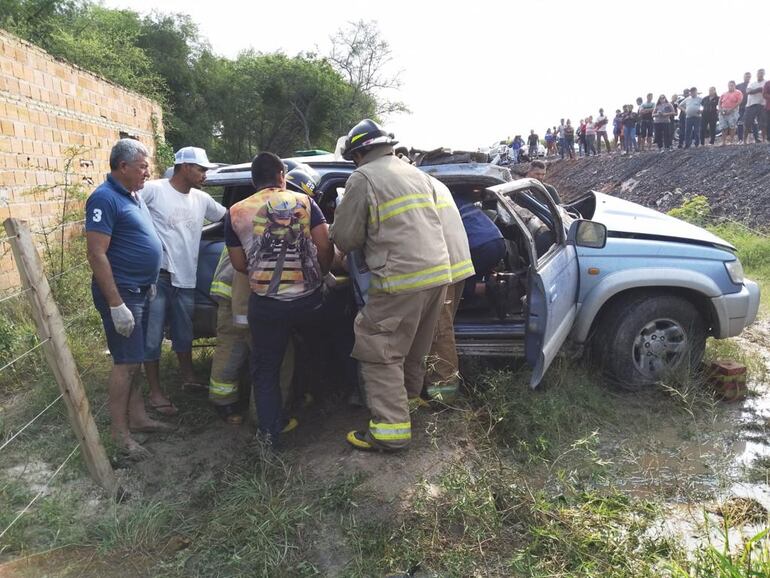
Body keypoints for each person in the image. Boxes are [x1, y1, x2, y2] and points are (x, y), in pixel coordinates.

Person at [330, 119, 451, 452]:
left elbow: (347, 238)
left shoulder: (363, 177)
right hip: (437, 274)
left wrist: (333, 233)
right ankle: (408, 404)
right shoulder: (417, 174)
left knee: (377, 349)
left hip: (400, 279)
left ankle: (389, 432)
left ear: (359, 152)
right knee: (413, 347)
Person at [225, 152, 333, 447]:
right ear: (282, 175)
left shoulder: (235, 212)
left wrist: (263, 271)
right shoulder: (305, 202)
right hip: (308, 299)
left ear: (253, 181)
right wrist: (318, 274)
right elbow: (324, 245)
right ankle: (324, 406)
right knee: (317, 348)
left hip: (267, 304)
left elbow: (238, 263)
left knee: (266, 368)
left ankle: (270, 434)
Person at [85, 138, 167, 459]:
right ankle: (121, 437)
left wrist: (149, 280)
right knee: (126, 363)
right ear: (123, 167)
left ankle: (139, 418)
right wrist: (116, 304)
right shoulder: (104, 199)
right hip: (122, 293)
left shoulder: (133, 195)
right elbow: (96, 254)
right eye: (143, 166)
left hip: (140, 289)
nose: (148, 172)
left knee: (135, 359)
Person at [140, 147, 225, 415]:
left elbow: (231, 218)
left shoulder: (201, 199)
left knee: (184, 331)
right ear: (185, 167)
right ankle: (155, 392)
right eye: (201, 169)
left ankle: (188, 378)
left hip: (186, 278)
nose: (205, 175)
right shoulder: (154, 190)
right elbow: (128, 210)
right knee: (152, 335)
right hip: (159, 276)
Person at [423, 176, 474, 404]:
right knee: (441, 330)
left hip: (441, 268)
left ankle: (444, 397)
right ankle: (436, 386)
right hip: (455, 262)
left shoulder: (412, 186)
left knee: (438, 333)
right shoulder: (431, 182)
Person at [743, 68, 766, 144]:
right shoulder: (752, 83)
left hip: (762, 105)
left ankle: (763, 140)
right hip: (750, 105)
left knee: (763, 123)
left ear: (764, 74)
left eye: (762, 73)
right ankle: (744, 141)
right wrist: (759, 89)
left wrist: (757, 90)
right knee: (747, 123)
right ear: (757, 74)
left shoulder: (767, 83)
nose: (760, 74)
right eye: (759, 73)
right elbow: (748, 91)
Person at [719, 80, 743, 146]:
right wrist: (720, 109)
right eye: (729, 85)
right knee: (723, 127)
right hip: (723, 111)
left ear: (734, 86)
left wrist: (731, 109)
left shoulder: (738, 92)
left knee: (732, 126)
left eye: (732, 85)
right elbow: (719, 101)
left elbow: (739, 102)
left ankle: (731, 141)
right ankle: (723, 142)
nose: (730, 86)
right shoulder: (724, 93)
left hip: (733, 111)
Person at [735, 71, 751, 143]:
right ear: (743, 77)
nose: (747, 77)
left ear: (750, 77)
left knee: (753, 122)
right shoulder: (738, 86)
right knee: (740, 122)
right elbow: (734, 95)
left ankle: (755, 139)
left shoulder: (752, 85)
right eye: (746, 76)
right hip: (740, 106)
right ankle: (740, 139)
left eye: (748, 76)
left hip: (751, 106)